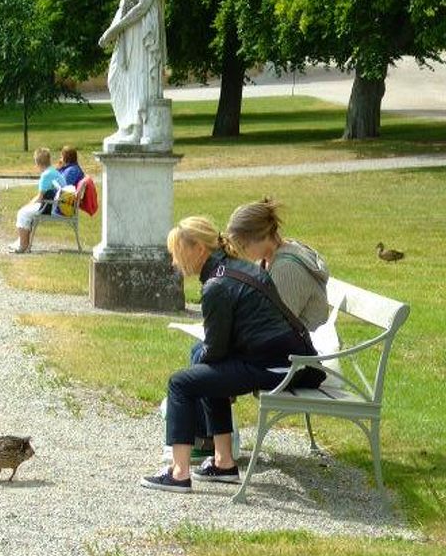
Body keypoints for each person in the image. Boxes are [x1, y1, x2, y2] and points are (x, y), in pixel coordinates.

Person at [141, 217, 325, 494]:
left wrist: (199, 366)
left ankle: (179, 474)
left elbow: (215, 350)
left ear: (200, 249)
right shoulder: (236, 268)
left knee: (181, 383)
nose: (174, 262)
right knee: (202, 365)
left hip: (278, 367)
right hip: (288, 360)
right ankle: (223, 462)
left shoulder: (216, 286)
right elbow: (220, 348)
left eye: (177, 253)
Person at [98, 0, 167, 147]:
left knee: (139, 79)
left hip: (142, 35)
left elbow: (143, 6)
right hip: (128, 34)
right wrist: (111, 31)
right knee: (115, 77)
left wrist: (115, 29)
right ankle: (125, 126)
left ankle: (137, 129)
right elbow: (123, 7)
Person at [226, 199, 329, 331]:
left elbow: (277, 327)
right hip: (282, 341)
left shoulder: (287, 269)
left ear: (261, 237)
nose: (240, 251)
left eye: (243, 246)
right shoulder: (267, 258)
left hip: (302, 345)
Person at [7, 147, 66, 254]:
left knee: (22, 213)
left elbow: (40, 198)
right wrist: (29, 204)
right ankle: (22, 241)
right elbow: (42, 196)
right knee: (25, 211)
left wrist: (28, 205)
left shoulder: (45, 175)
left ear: (37, 163)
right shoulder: (54, 171)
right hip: (57, 205)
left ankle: (23, 245)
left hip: (51, 207)